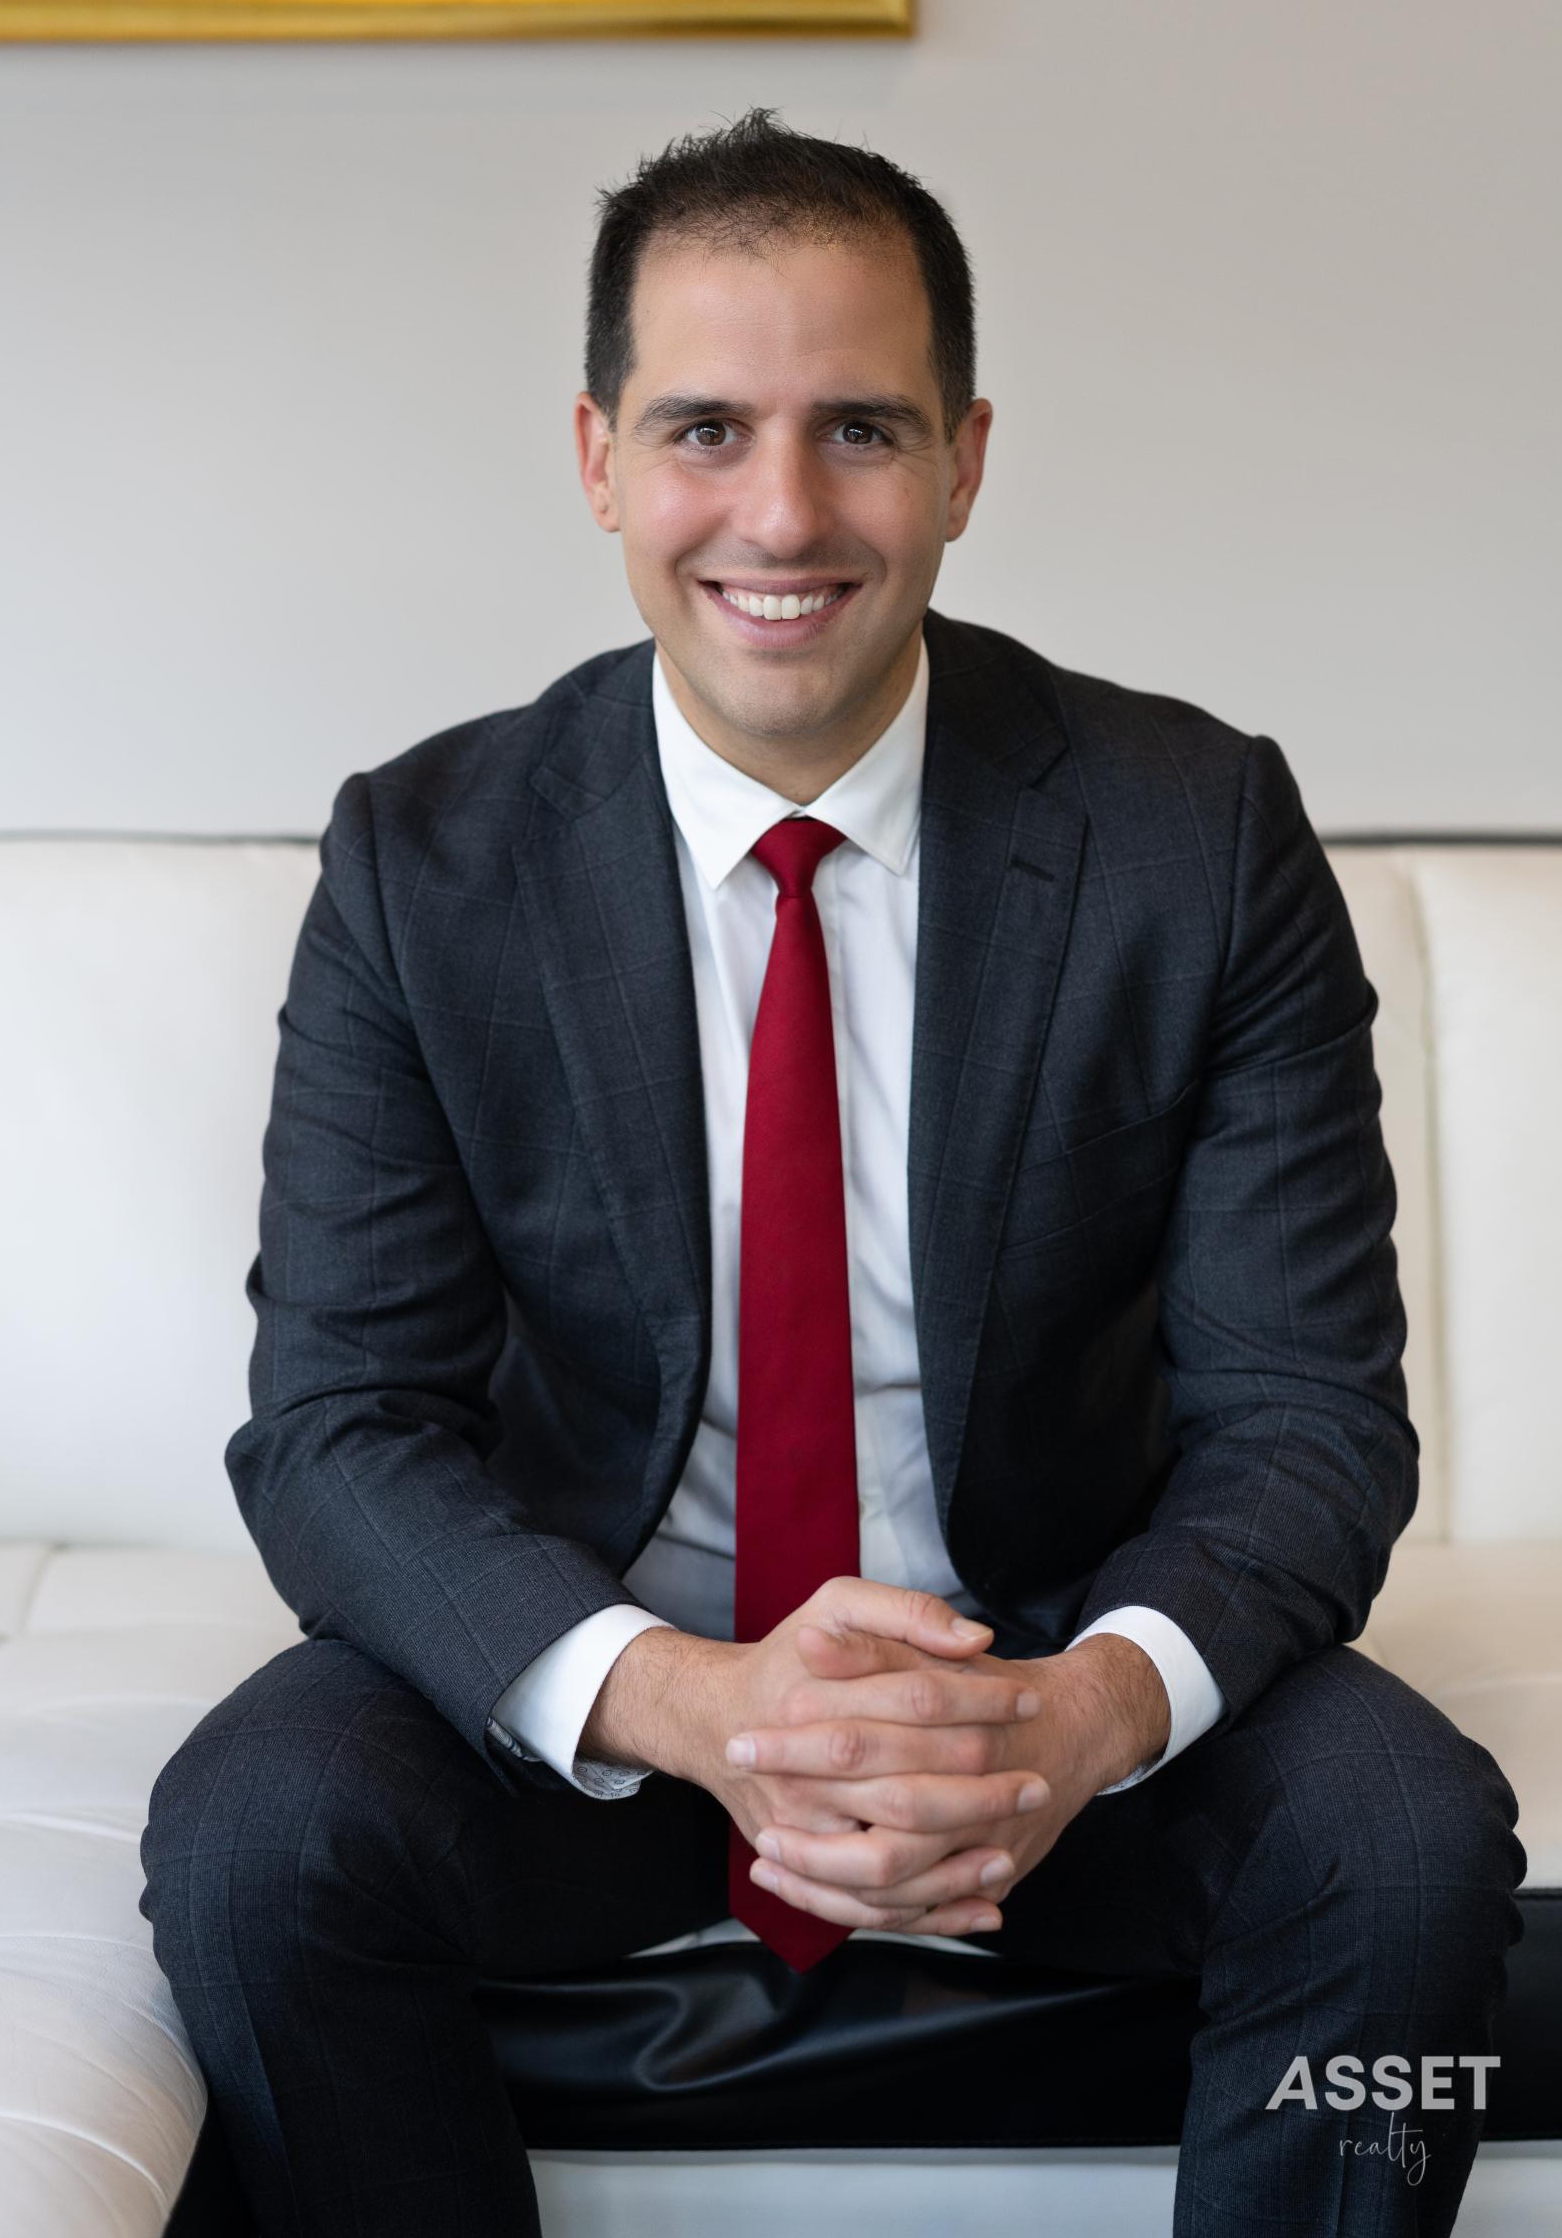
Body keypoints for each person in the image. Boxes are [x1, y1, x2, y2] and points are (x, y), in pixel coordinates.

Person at [139, 107, 1524, 2236]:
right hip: (613, 1681)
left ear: (963, 460)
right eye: (705, 428)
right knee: (255, 1839)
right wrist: (689, 1704)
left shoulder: (1198, 835)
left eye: (858, 429)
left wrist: (1078, 1715)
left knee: (1406, 1848)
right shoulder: (424, 864)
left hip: (1040, 1676)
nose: (780, 514)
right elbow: (339, 1426)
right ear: (599, 460)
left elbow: (1306, 1419)